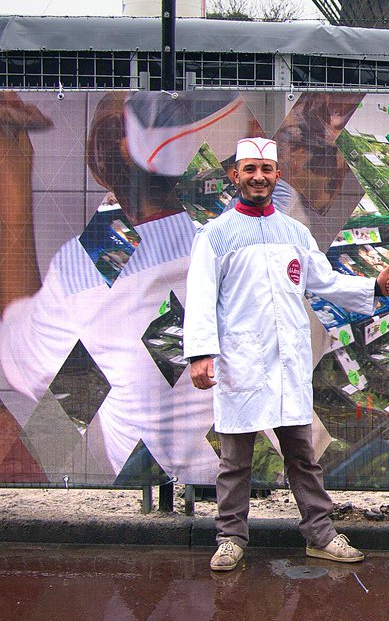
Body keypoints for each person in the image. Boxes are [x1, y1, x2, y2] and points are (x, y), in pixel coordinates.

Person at [0, 90, 251, 484]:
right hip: (250, 482)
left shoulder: (92, 264)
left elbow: (20, 350)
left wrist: (13, 173)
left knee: (75, 394)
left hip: (166, 489)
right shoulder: (256, 232)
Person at [183, 137, 389, 571]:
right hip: (242, 361)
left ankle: (321, 535)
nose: (258, 178)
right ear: (235, 176)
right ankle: (231, 538)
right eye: (249, 170)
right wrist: (200, 354)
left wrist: (373, 288)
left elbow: (322, 280)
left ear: (277, 177)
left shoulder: (294, 233)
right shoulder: (216, 236)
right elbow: (201, 296)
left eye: (266, 170)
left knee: (302, 457)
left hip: (287, 363)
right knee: (235, 460)